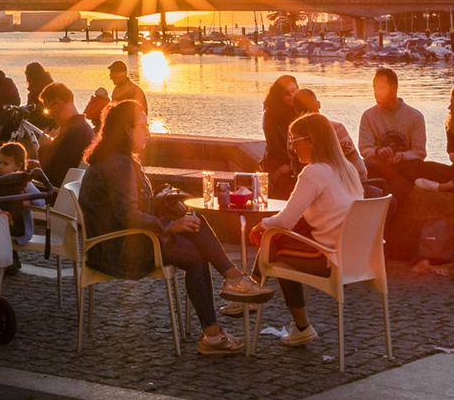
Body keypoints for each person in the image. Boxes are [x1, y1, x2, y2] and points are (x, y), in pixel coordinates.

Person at [80, 100, 272, 355]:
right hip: (117, 248)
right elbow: (127, 215)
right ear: (128, 129)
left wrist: (169, 213)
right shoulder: (118, 163)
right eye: (144, 125)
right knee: (194, 253)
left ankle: (226, 300)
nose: (148, 131)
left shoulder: (121, 159)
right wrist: (170, 225)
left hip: (126, 240)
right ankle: (232, 287)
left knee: (195, 226)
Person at [251, 113, 369, 348]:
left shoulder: (315, 172)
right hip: (358, 257)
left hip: (329, 258)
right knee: (278, 241)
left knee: (274, 248)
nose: (292, 148)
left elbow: (285, 220)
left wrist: (260, 225)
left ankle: (253, 296)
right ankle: (250, 289)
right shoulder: (347, 169)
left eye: (294, 140)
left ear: (311, 140)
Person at [358, 68, 429, 196]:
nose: (376, 92)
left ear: (394, 88)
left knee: (422, 168)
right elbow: (364, 149)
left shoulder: (415, 116)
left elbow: (419, 152)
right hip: (378, 167)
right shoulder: (368, 116)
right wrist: (378, 151)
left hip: (404, 168)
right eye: (374, 88)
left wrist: (401, 156)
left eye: (380, 88)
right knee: (366, 164)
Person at [36, 83, 93, 199]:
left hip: (54, 198)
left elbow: (53, 174)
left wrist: (43, 148)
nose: (51, 116)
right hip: (67, 195)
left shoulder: (74, 132)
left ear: (58, 104)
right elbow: (64, 164)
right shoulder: (83, 128)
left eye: (49, 108)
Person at [293, 89, 366, 180]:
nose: (293, 146)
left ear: (296, 112)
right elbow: (358, 167)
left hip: (332, 186)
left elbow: (296, 170)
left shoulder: (295, 136)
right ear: (319, 104)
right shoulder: (338, 128)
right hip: (355, 182)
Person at [261, 75, 301, 197]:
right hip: (279, 162)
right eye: (286, 93)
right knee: (290, 186)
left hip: (301, 162)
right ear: (279, 96)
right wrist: (291, 163)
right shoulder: (270, 116)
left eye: (294, 91)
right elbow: (274, 148)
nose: (291, 95)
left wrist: (293, 164)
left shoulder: (303, 109)